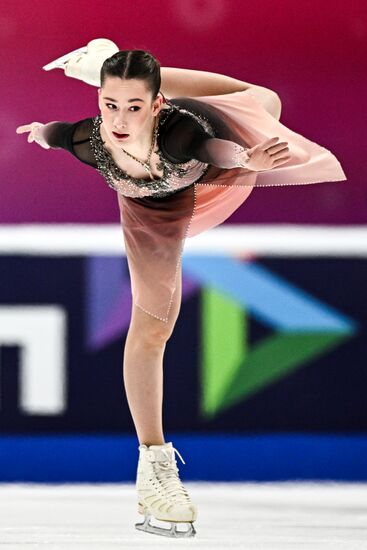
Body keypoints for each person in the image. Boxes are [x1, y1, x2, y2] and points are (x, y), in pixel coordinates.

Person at [16, 39, 346, 538]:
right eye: (110, 104)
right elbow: (59, 133)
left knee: (265, 100)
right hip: (154, 214)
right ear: (98, 105)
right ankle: (154, 467)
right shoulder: (90, 139)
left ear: (156, 103)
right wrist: (41, 132)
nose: (121, 119)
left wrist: (246, 157)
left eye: (134, 106)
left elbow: (212, 149)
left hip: (219, 161)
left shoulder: (179, 133)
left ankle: (106, 68)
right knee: (152, 329)